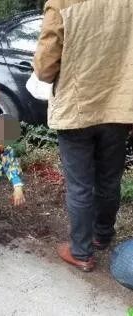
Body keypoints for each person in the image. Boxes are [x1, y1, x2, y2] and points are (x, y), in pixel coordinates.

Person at [33, 0, 133, 272]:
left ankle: (81, 253)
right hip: (119, 108)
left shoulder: (61, 2)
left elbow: (44, 69)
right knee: (109, 180)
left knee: (80, 186)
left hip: (76, 108)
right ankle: (102, 235)